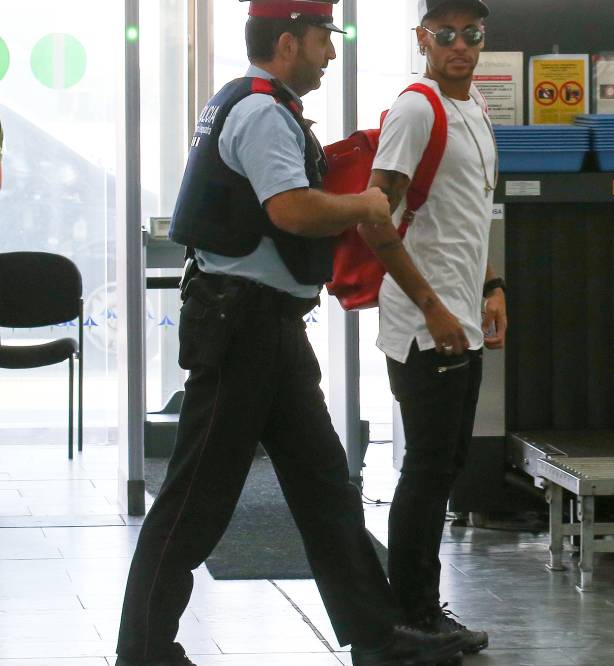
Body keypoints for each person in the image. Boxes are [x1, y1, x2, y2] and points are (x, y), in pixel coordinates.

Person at [115, 2, 466, 665]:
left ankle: (377, 634)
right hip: (244, 327)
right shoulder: (259, 112)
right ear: (286, 42)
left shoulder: (250, 103)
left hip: (266, 326)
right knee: (196, 498)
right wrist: (364, 203)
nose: (330, 54)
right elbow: (293, 210)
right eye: (321, 41)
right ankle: (142, 650)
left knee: (325, 487)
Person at [356, 0, 505, 657]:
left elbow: (471, 215)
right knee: (427, 467)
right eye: (445, 34)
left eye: (471, 33)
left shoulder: (475, 109)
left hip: (460, 314)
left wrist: (491, 285)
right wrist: (433, 306)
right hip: (425, 323)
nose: (460, 45)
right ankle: (413, 612)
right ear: (422, 39)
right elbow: (373, 217)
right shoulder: (417, 108)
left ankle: (418, 605)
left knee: (443, 466)